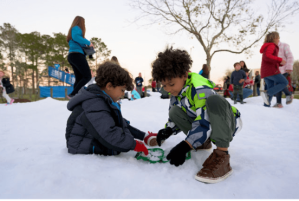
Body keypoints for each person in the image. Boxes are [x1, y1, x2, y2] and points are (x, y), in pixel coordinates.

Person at [151, 47, 242, 184]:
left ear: (184, 75)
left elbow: (205, 119)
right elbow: (176, 115)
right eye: (164, 86)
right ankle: (203, 142)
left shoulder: (200, 89)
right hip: (205, 124)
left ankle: (222, 155)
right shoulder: (177, 92)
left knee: (214, 101)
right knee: (174, 111)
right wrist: (168, 130)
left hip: (226, 122)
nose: (168, 89)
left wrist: (186, 145)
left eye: (171, 84)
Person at [65, 61, 159, 156]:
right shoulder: (94, 103)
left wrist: (143, 136)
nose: (123, 94)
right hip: (80, 145)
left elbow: (120, 124)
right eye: (122, 90)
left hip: (92, 139)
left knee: (120, 138)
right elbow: (109, 133)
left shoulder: (103, 100)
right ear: (109, 86)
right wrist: (133, 144)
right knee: (116, 148)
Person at [66, 16, 93, 99]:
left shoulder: (72, 32)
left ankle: (75, 97)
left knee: (79, 78)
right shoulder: (76, 28)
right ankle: (73, 94)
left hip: (73, 56)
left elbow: (78, 40)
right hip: (77, 55)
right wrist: (88, 42)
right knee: (87, 76)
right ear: (81, 22)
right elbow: (76, 37)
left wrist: (89, 49)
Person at [260, 32, 288, 107]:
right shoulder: (272, 45)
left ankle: (266, 107)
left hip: (266, 72)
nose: (279, 40)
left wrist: (280, 63)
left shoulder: (267, 46)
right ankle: (268, 93)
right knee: (284, 82)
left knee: (271, 89)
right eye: (278, 38)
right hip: (271, 71)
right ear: (274, 38)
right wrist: (280, 59)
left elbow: (270, 59)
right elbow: (268, 56)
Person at [272, 41, 294, 108]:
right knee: (277, 84)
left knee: (278, 83)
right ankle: (279, 103)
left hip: (284, 69)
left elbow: (290, 56)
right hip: (276, 71)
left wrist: (289, 67)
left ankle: (288, 94)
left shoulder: (284, 45)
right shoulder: (271, 48)